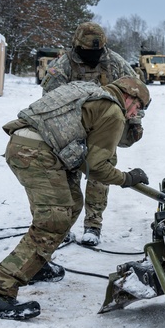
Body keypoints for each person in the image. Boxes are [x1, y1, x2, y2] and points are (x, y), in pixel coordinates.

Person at [0, 77, 152, 320]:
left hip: (23, 143)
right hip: (37, 153)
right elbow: (96, 167)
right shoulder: (113, 111)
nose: (136, 114)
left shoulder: (92, 92)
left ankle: (34, 265)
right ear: (130, 97)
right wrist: (127, 178)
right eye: (138, 107)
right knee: (53, 221)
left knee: (72, 204)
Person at [41, 21, 143, 246]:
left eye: (96, 52)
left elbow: (135, 93)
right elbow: (48, 101)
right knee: (68, 179)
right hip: (70, 132)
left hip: (105, 129)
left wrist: (134, 122)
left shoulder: (116, 63)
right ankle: (64, 224)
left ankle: (93, 225)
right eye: (87, 52)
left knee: (100, 175)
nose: (92, 56)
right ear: (77, 46)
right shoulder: (62, 66)